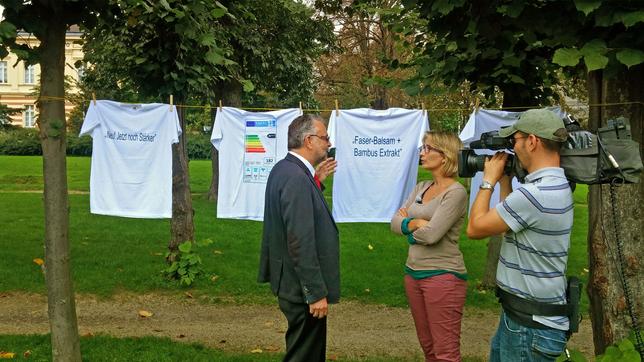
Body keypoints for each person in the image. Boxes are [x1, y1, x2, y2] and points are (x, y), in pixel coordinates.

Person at [466, 109, 572, 362]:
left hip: (529, 328)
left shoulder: (535, 194)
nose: (513, 149)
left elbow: (475, 228)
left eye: (515, 141)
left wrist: (488, 181)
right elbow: (506, 225)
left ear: (533, 141)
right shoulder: (555, 184)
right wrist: (505, 182)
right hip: (524, 319)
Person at [258, 114, 339, 362]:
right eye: (324, 137)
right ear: (309, 140)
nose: (328, 142)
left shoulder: (287, 170)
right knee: (305, 355)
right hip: (300, 287)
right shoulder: (295, 178)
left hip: (291, 282)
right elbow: (299, 239)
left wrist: (316, 182)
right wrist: (314, 292)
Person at [391, 131, 468, 362]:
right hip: (413, 274)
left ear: (444, 156)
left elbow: (433, 234)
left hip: (443, 277)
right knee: (428, 347)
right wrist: (414, 223)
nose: (422, 153)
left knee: (445, 352)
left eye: (427, 149)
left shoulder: (456, 193)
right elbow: (394, 223)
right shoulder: (421, 187)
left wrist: (411, 231)